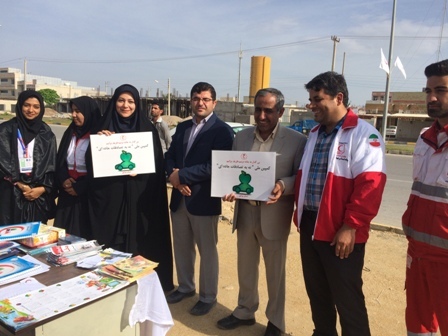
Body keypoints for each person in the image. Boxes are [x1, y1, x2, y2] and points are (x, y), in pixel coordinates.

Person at [294, 71, 386, 336]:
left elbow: (370, 187)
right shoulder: (314, 134)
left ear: (338, 98)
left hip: (340, 230)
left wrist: (351, 226)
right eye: (310, 99)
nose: (311, 105)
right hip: (311, 224)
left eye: (317, 99)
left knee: (347, 299)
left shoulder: (364, 134)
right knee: (317, 293)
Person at [216, 88, 307, 336]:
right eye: (258, 109)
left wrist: (283, 185)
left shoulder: (297, 141)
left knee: (275, 272)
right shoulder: (242, 137)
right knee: (245, 267)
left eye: (268, 110)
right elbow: (232, 171)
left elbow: (300, 176)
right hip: (245, 212)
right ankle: (245, 311)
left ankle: (276, 322)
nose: (262, 115)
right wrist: (227, 188)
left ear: (280, 111)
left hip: (274, 213)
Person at [86, 84, 174, 292]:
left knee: (139, 243)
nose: (126, 105)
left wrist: (141, 172)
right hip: (111, 199)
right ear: (114, 102)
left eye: (131, 101)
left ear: (137, 104)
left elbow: (157, 168)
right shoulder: (102, 127)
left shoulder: (147, 130)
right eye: (121, 100)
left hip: (138, 199)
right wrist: (100, 144)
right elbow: (92, 166)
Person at [164, 82, 234, 316]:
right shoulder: (182, 127)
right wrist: (174, 177)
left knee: (207, 251)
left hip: (203, 200)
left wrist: (182, 175)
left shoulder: (222, 131)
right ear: (191, 101)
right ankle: (185, 286)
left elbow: (216, 165)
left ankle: (207, 296)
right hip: (179, 198)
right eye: (196, 98)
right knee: (182, 247)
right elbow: (170, 156)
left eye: (205, 99)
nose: (200, 103)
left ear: (214, 102)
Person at [402, 59, 448, 335]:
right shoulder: (424, 138)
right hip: (417, 251)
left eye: (441, 90)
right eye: (428, 90)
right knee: (418, 323)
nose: (431, 97)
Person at [0, 90, 57, 225]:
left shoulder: (46, 133)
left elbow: (52, 165)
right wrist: (19, 184)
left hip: (37, 195)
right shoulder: (5, 130)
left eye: (36, 107)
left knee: (35, 239)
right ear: (20, 106)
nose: (31, 110)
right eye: (27, 105)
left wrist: (42, 189)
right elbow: (2, 162)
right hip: (10, 193)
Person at [54, 96, 100, 237]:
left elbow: (101, 170)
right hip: (67, 194)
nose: (73, 115)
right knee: (62, 238)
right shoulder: (70, 133)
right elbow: (60, 159)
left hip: (87, 196)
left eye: (78, 111)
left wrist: (81, 186)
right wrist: (64, 179)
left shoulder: (99, 135)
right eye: (73, 111)